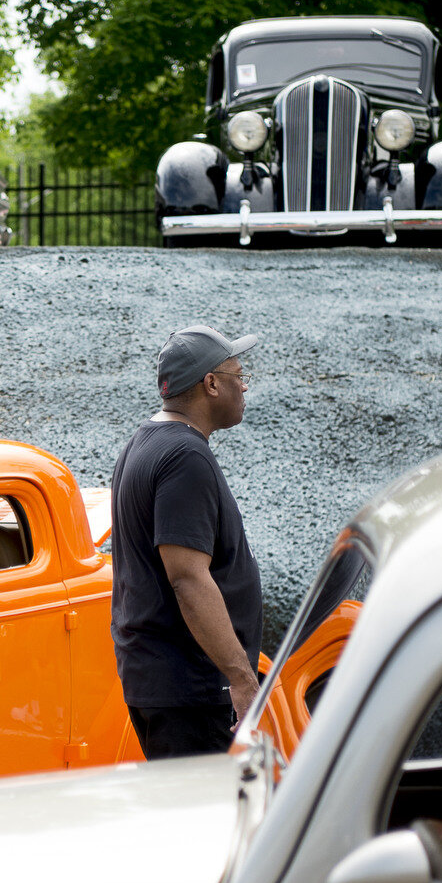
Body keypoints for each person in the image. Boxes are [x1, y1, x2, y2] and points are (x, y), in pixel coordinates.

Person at [109, 324, 263, 759]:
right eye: (238, 374)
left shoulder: (144, 443)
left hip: (165, 682)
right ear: (211, 384)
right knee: (206, 820)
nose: (245, 385)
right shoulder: (185, 458)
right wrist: (242, 679)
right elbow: (188, 580)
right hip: (190, 688)